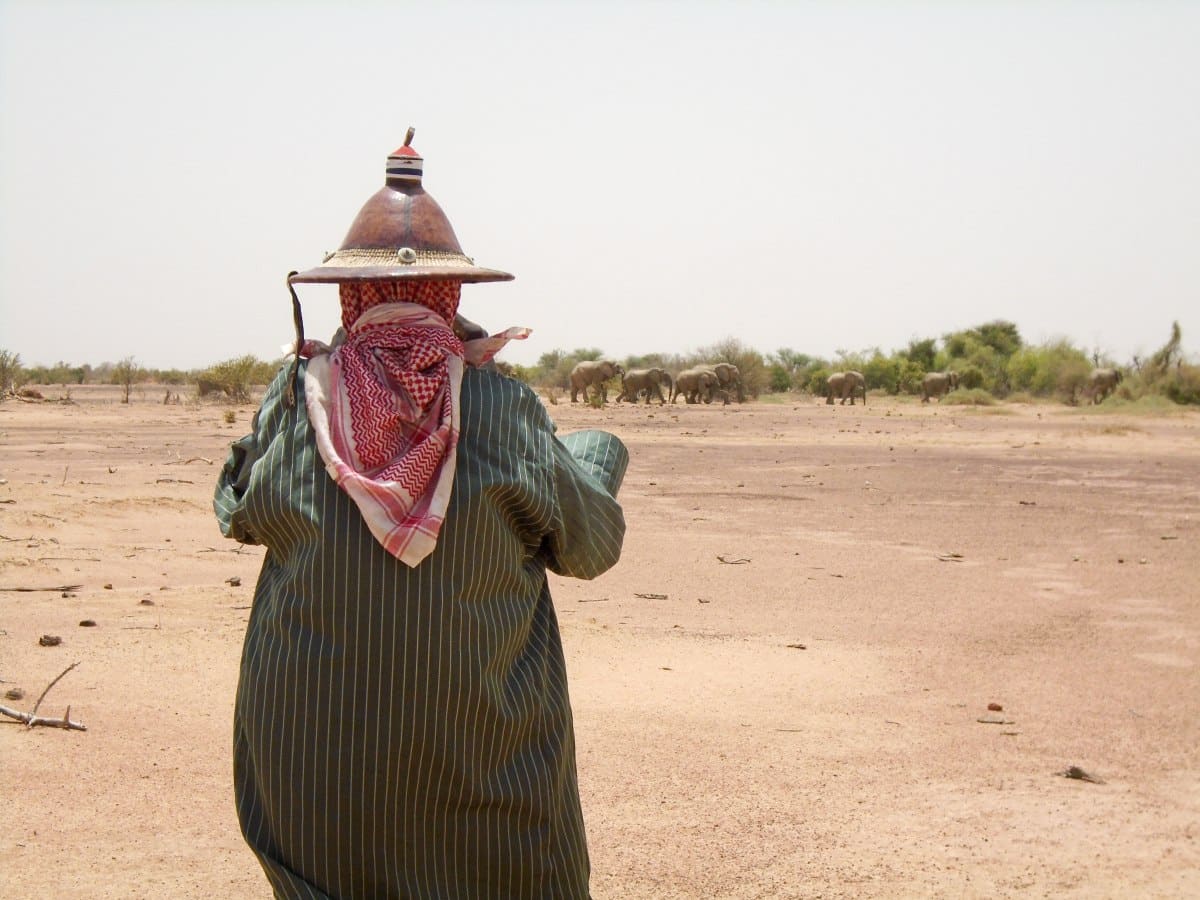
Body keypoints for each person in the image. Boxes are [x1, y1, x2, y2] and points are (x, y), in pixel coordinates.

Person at [214, 131, 627, 898]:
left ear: (348, 296)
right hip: (484, 766)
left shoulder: (299, 398)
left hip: (310, 769)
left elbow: (240, 509)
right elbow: (590, 545)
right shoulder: (500, 407)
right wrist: (596, 456)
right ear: (452, 297)